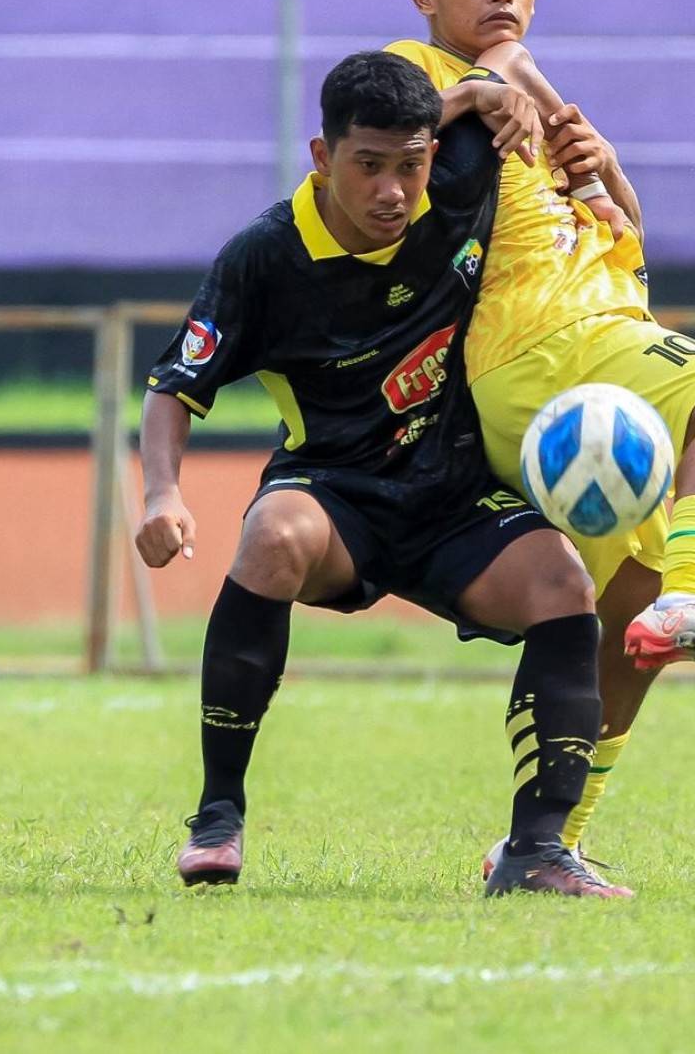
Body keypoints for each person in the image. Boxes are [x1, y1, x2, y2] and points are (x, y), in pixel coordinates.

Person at [136, 51, 629, 900]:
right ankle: (219, 813)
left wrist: (484, 92)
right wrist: (160, 495)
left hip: (455, 496)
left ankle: (539, 850)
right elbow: (175, 387)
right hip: (334, 493)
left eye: (411, 165)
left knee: (562, 582)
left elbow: (506, 76)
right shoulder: (265, 256)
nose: (394, 191)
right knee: (272, 536)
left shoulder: (460, 181)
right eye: (368, 166)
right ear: (323, 158)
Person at [386, 0, 695, 886]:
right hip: (546, 349)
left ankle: (539, 846)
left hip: (607, 342)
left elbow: (619, 230)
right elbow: (373, 155)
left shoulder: (540, 102)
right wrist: (468, 101)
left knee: (608, 621)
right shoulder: (419, 72)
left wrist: (607, 170)